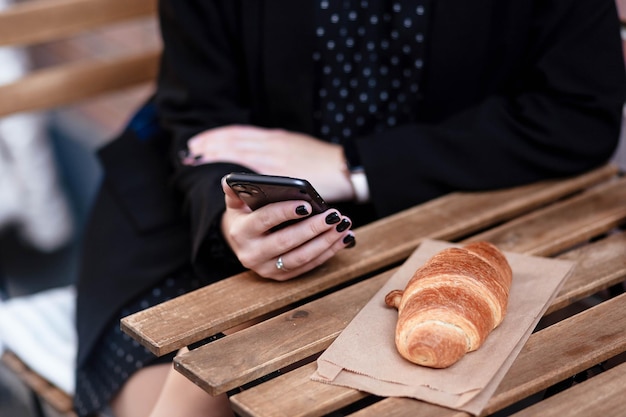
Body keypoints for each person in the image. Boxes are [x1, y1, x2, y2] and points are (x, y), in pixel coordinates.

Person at [72, 0, 626, 416]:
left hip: (450, 208)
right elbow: (198, 116)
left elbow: (579, 114)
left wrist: (357, 166)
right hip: (191, 216)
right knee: (182, 397)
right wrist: (231, 214)